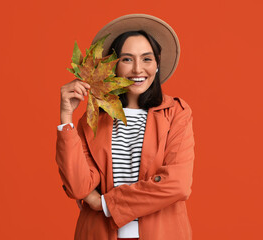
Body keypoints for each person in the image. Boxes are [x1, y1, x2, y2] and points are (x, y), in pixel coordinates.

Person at [56, 14, 195, 240]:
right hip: (99, 233)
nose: (137, 69)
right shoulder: (93, 120)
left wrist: (104, 203)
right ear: (114, 65)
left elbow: (177, 184)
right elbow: (78, 187)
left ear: (157, 64)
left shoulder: (176, 114)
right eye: (127, 59)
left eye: (147, 59)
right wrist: (66, 117)